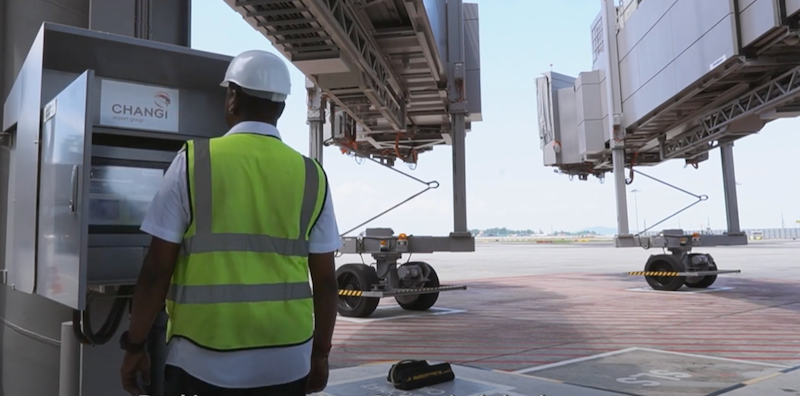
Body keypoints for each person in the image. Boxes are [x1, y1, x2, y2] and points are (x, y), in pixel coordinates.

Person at [119, 49, 342, 396]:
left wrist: (135, 346)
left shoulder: (194, 162)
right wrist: (321, 355)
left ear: (233, 98)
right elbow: (326, 284)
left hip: (202, 361)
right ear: (281, 108)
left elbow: (156, 271)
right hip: (288, 360)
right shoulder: (312, 176)